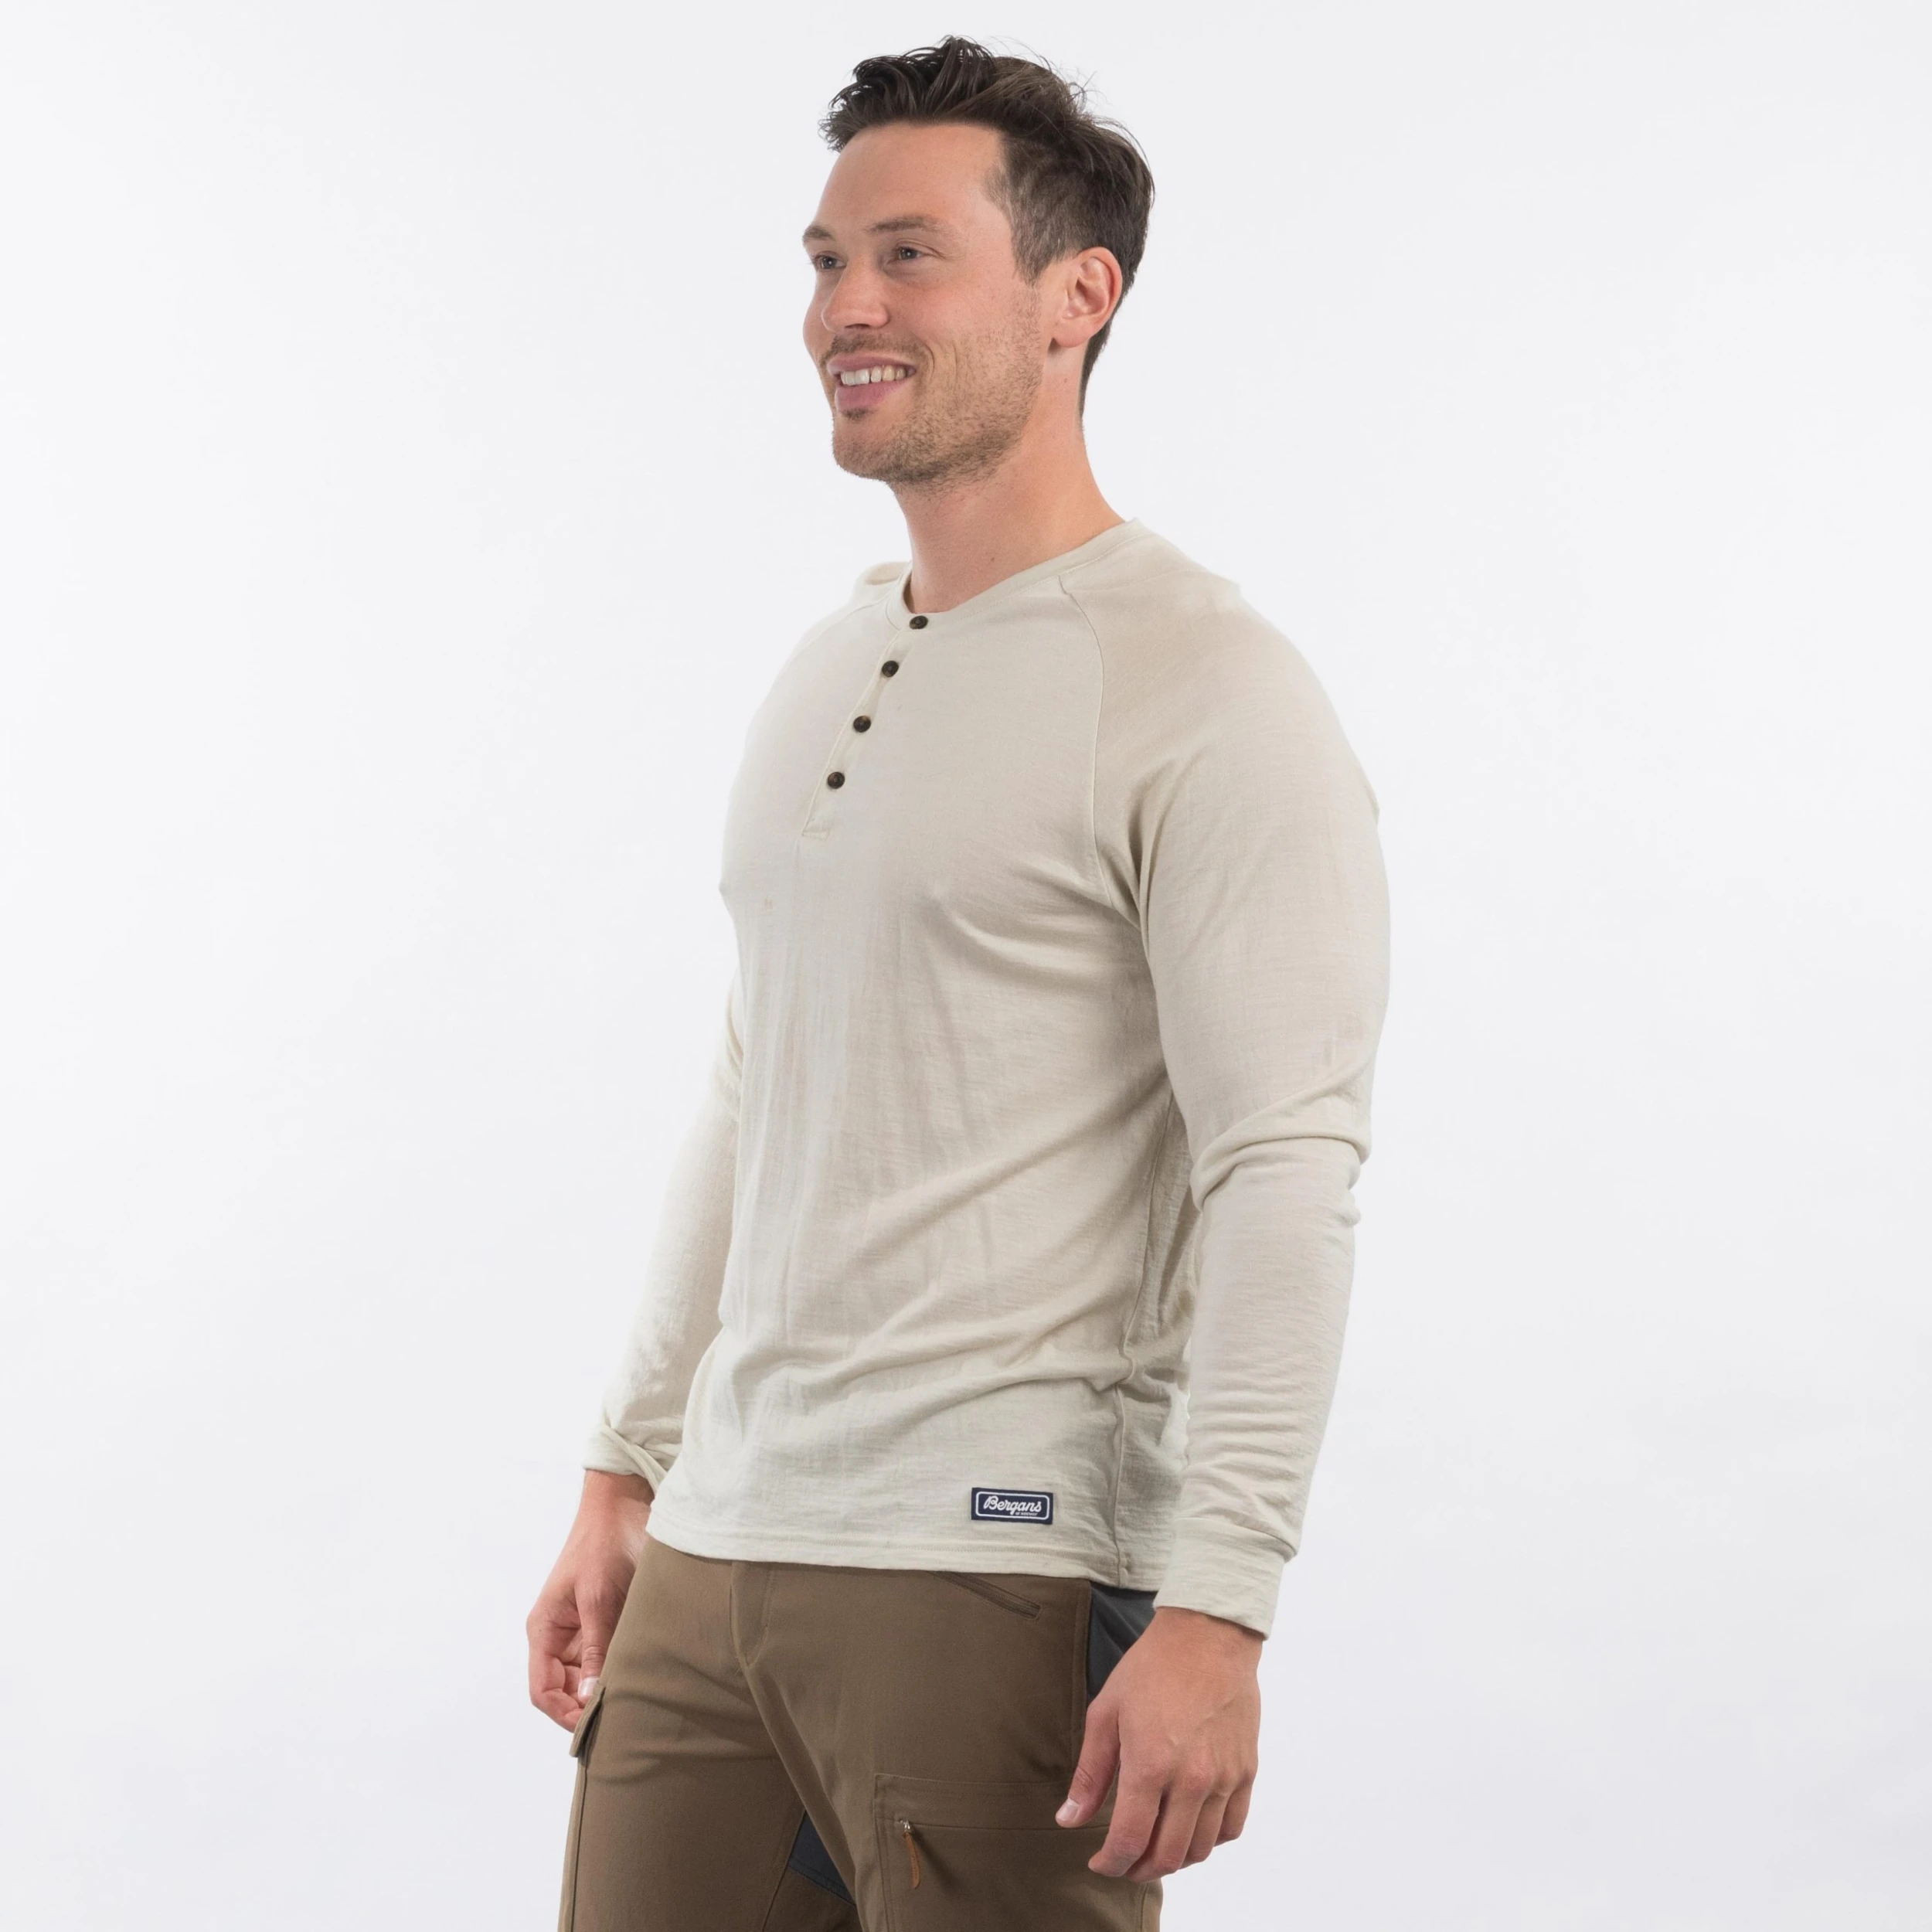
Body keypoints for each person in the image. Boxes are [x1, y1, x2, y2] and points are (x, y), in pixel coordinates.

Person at [526, 36, 1389, 1931]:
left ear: (1076, 296)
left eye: (906, 255)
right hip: (715, 1551)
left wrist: (1220, 1604)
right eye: (826, 259)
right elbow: (756, 1079)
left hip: (989, 1566)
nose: (845, 305)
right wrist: (625, 1461)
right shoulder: (827, 657)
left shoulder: (1204, 686)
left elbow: (1281, 1164)